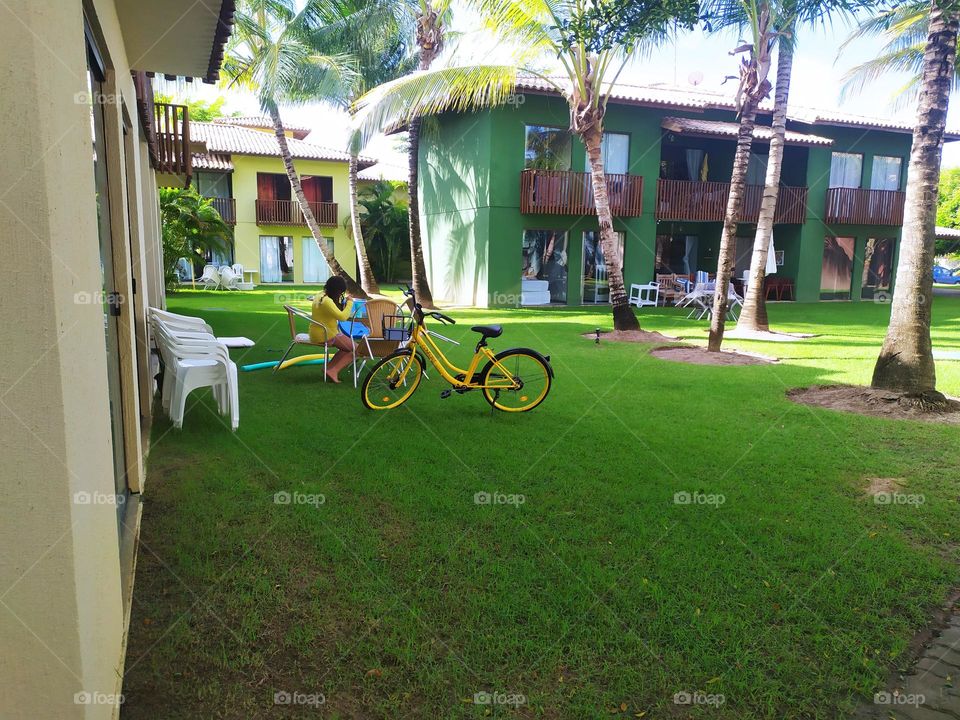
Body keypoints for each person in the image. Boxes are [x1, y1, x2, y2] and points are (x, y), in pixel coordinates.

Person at [311, 276, 355, 383]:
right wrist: (350, 303)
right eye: (341, 292)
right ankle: (333, 370)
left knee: (347, 348)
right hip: (326, 335)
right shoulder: (326, 301)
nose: (341, 295)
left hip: (317, 333)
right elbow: (342, 317)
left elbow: (334, 313)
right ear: (337, 290)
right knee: (357, 349)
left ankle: (329, 368)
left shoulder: (320, 295)